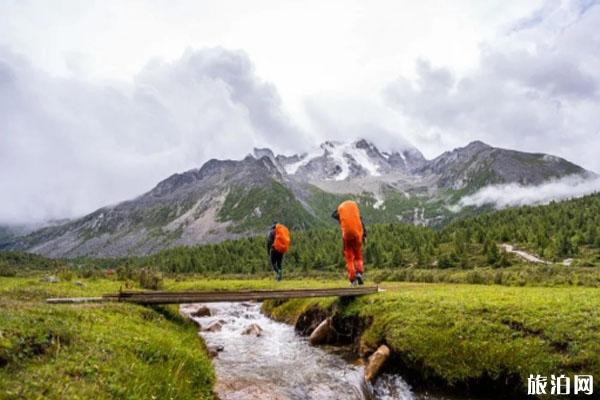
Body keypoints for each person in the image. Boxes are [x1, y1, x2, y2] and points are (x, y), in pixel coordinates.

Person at [332, 200, 367, 286]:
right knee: (358, 256)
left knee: (349, 259)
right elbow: (363, 226)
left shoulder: (340, 216)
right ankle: (359, 273)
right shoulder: (357, 217)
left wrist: (339, 210)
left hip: (347, 238)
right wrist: (364, 236)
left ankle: (353, 280)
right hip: (357, 237)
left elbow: (333, 215)